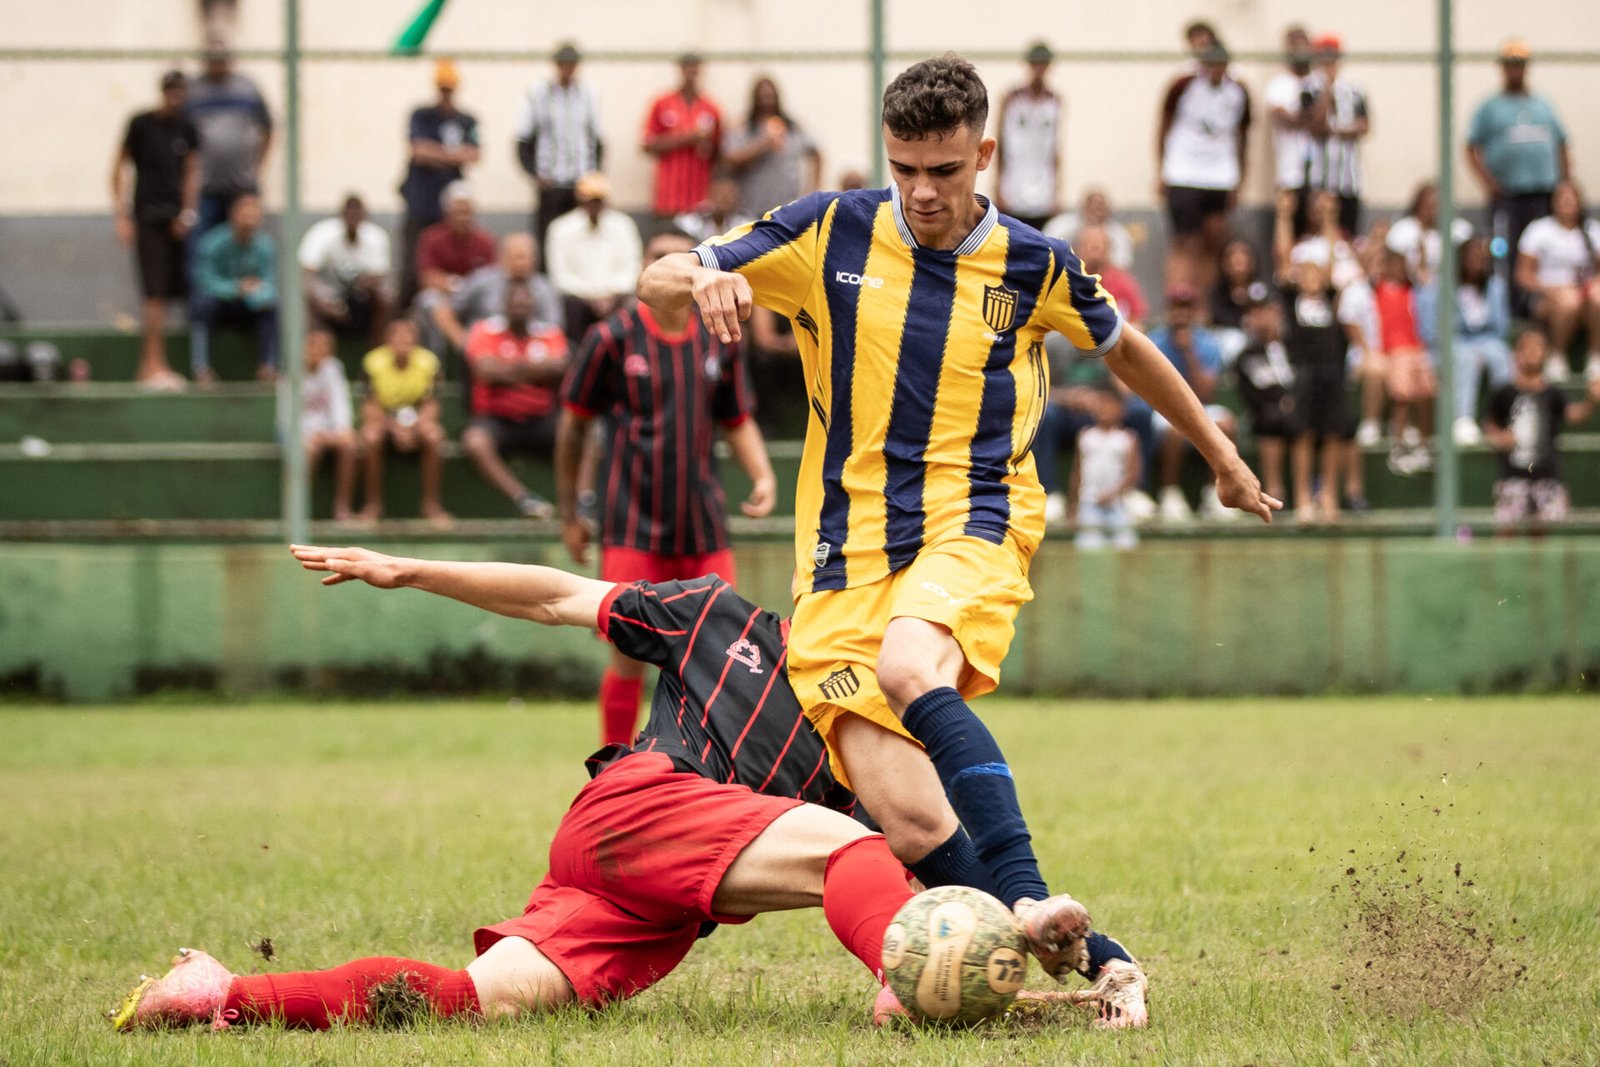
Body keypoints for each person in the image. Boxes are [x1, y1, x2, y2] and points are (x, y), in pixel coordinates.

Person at [639, 54, 1278, 976]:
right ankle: (1098, 959)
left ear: (983, 154)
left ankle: (1025, 892)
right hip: (841, 551)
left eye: (943, 170)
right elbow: (658, 278)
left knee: (909, 662)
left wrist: (1221, 455)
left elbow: (1126, 349)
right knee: (911, 820)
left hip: (974, 517)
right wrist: (698, 279)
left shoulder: (1033, 259)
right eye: (903, 168)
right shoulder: (829, 230)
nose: (922, 191)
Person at [112, 544, 1150, 1033]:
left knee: (477, 1000)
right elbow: (561, 592)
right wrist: (410, 569)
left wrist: (1084, 959)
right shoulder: (717, 617)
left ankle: (217, 994)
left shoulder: (879, 738)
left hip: (654, 897)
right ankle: (906, 993)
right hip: (636, 806)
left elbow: (953, 874)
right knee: (852, 853)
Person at [556, 227, 777, 748]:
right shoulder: (610, 337)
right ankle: (613, 768)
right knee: (628, 652)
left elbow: (736, 417)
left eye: (676, 256)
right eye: (656, 256)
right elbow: (573, 425)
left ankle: (710, 772)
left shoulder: (717, 334)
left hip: (703, 524)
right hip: (631, 523)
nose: (667, 267)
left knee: (724, 652)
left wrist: (763, 475)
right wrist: (570, 512)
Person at [1467, 40, 1570, 314]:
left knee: (1541, 252)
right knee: (1506, 252)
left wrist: (1564, 184)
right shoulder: (1490, 107)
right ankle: (1510, 310)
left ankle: (1539, 307)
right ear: (1503, 68)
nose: (1516, 69)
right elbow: (1471, 147)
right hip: (1508, 196)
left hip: (1542, 192)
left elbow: (1561, 143)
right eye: (1511, 64)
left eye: (1520, 64)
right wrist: (1489, 183)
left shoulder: (1543, 105)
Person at [113, 70, 200, 391]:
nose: (176, 98)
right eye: (171, 92)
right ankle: (151, 366)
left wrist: (187, 214)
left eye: (181, 92)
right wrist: (122, 215)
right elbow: (118, 166)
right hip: (146, 218)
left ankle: (155, 365)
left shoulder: (187, 128)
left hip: (175, 222)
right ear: (162, 92)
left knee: (167, 293)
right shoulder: (141, 125)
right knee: (154, 295)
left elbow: (192, 171)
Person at [1274, 191, 1355, 523]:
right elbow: (1282, 257)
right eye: (1303, 272)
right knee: (1304, 434)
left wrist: (1330, 220)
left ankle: (1329, 496)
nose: (1310, 277)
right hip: (1304, 373)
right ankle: (1304, 496)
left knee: (1334, 434)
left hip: (1331, 372)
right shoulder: (1292, 301)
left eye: (1316, 273)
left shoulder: (1330, 298)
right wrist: (1283, 215)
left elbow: (1333, 256)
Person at [461, 285, 570, 518]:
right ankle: (525, 499)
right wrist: (536, 371)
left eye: (525, 303)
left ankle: (581, 500)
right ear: (505, 306)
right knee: (475, 441)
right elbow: (485, 372)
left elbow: (560, 367)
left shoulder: (549, 333)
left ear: (533, 306)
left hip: (541, 417)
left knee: (585, 431)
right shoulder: (484, 331)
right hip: (496, 418)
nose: (520, 307)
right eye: (515, 303)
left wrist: (507, 371)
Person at [1156, 42, 1251, 295]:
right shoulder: (1184, 85)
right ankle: (1178, 302)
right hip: (1184, 173)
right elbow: (1164, 124)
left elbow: (1242, 136)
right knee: (1185, 242)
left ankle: (1204, 308)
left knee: (1214, 243)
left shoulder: (1238, 91)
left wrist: (1239, 180)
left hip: (1220, 176)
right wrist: (1162, 168)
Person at [1484, 327, 1600, 534]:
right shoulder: (1504, 392)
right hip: (1513, 476)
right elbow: (1490, 424)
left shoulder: (1554, 392)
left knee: (1541, 534)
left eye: (1537, 349)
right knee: (1505, 530)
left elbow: (1573, 416)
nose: (1532, 354)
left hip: (1547, 476)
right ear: (1516, 354)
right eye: (1526, 349)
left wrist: (1591, 401)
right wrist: (1500, 438)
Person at [1141, 285, 1238, 522]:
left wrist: (1188, 352)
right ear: (1168, 310)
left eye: (1186, 308)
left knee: (1226, 424)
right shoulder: (1154, 341)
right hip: (1163, 408)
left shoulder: (1206, 342)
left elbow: (1206, 392)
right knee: (1176, 429)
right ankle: (1170, 493)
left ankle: (1215, 492)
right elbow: (1153, 389)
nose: (1181, 314)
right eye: (1176, 307)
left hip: (1198, 404)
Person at [399, 60, 481, 306]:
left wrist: (437, 154)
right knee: (413, 266)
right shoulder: (421, 115)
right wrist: (453, 155)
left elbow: (474, 154)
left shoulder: (467, 120)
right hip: (422, 203)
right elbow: (418, 150)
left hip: (451, 208)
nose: (446, 94)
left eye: (450, 89)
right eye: (443, 88)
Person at [1417, 236, 1513, 446]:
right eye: (1472, 257)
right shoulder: (1439, 288)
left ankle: (1503, 417)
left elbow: (1501, 328)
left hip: (1487, 341)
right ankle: (1463, 419)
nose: (1477, 261)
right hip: (1451, 345)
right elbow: (1432, 332)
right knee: (1466, 357)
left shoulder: (1496, 287)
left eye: (1481, 257)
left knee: (1500, 354)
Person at [515, 43, 604, 263]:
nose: (568, 69)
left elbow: (598, 139)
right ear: (556, 65)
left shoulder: (588, 94)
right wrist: (535, 175)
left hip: (580, 182)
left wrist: (593, 175)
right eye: (564, 64)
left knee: (580, 235)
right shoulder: (539, 93)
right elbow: (523, 139)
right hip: (551, 181)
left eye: (572, 64)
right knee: (547, 237)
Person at [359, 318, 450, 524]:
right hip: (384, 422)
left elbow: (432, 404)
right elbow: (370, 407)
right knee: (370, 436)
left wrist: (415, 427)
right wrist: (395, 429)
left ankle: (431, 506)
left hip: (417, 422)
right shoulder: (372, 362)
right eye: (397, 337)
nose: (403, 341)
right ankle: (373, 505)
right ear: (387, 341)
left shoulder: (429, 363)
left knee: (435, 435)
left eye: (408, 337)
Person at [1515, 179, 1600, 383]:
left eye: (1572, 199)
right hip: (1546, 297)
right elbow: (1523, 275)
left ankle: (1595, 355)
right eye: (1563, 199)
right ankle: (1557, 355)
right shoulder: (1539, 230)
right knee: (1568, 300)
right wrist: (1552, 289)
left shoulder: (1592, 231)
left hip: (1584, 295)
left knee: (1597, 297)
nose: (1567, 204)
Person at [425, 232, 563, 356]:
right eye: (516, 257)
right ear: (503, 257)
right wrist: (463, 341)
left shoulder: (545, 289)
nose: (521, 263)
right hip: (484, 353)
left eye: (525, 257)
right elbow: (444, 310)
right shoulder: (482, 281)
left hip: (531, 355)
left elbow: (555, 329)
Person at [545, 173, 643, 347]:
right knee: (570, 307)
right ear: (580, 201)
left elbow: (632, 268)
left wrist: (611, 295)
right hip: (578, 300)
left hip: (616, 297)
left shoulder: (623, 226)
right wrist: (591, 297)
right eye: (589, 200)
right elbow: (560, 275)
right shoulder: (561, 229)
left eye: (598, 200)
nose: (594, 206)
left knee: (631, 306)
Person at [185, 47, 271, 240]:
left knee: (243, 243)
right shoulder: (194, 90)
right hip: (205, 187)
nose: (218, 66)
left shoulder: (247, 87)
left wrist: (257, 166)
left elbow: (267, 128)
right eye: (213, 61)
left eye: (222, 60)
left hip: (242, 185)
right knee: (202, 244)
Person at [191, 192, 278, 380]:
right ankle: (201, 368)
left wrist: (255, 293)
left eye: (254, 216)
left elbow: (269, 283)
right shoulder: (213, 243)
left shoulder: (265, 246)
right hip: (221, 304)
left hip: (249, 304)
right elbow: (205, 280)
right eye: (245, 215)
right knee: (203, 306)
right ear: (233, 215)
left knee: (271, 308)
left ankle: (268, 366)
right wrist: (236, 288)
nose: (249, 221)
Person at [1233, 283, 1303, 512]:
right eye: (1253, 311)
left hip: (1299, 410)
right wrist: (1280, 403)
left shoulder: (1295, 347)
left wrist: (1293, 401)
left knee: (1308, 419)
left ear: (1277, 311)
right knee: (1270, 419)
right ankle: (1275, 490)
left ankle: (1305, 494)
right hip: (1265, 414)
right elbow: (1252, 394)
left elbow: (1306, 380)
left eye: (1264, 309)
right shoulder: (1246, 356)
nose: (1259, 316)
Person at [278, 328, 359, 520]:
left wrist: (340, 431)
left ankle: (342, 508)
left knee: (350, 444)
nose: (318, 352)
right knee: (310, 450)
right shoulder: (290, 370)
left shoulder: (333, 368)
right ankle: (297, 510)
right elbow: (286, 417)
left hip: (326, 433)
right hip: (295, 433)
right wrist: (311, 435)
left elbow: (341, 404)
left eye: (324, 348)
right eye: (313, 346)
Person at [722, 75, 822, 220]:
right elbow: (730, 159)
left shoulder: (792, 127)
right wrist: (762, 144)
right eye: (762, 96)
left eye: (770, 95)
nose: (766, 99)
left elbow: (816, 152)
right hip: (751, 209)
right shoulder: (745, 128)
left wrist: (813, 189)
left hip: (787, 208)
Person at [298, 194, 392, 346]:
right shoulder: (322, 234)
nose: (353, 220)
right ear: (341, 215)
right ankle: (318, 349)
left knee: (387, 298)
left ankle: (376, 348)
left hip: (359, 296)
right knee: (307, 299)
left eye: (357, 215)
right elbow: (306, 273)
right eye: (349, 215)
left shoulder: (376, 236)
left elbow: (378, 276)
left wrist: (360, 287)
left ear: (365, 216)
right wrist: (323, 303)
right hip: (327, 295)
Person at [1373, 247, 1436, 473]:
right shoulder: (1377, 290)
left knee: (1428, 391)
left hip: (1416, 349)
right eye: (1395, 265)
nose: (1400, 269)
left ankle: (1424, 447)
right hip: (1393, 351)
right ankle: (1398, 448)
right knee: (1402, 394)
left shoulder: (1414, 293)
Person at [1304, 35, 1369, 237]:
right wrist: (1327, 90)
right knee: (1318, 234)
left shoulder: (1355, 90)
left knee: (1347, 236)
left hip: (1348, 179)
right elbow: (1315, 126)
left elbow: (1363, 126)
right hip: (1319, 178)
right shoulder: (1310, 89)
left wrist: (1334, 129)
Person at [642, 54, 722, 218]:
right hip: (667, 199)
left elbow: (718, 151)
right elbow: (648, 145)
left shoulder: (711, 107)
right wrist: (689, 138)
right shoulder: (662, 103)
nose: (691, 72)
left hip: (699, 199)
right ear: (680, 69)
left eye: (695, 67)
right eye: (687, 67)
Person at [993, 42, 1063, 230]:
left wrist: (1057, 191)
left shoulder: (1054, 101)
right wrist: (997, 184)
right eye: (1035, 64)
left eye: (1043, 64)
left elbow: (1055, 148)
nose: (1039, 69)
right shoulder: (1011, 99)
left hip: (1043, 187)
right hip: (1014, 184)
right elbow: (1001, 144)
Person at [414, 181, 497, 331]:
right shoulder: (431, 238)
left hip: (475, 298)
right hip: (445, 296)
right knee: (428, 301)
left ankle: (483, 348)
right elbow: (427, 278)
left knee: (493, 302)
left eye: (467, 212)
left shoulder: (485, 240)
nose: (463, 218)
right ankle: (439, 352)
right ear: (447, 213)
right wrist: (457, 285)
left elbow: (493, 278)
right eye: (459, 212)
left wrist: (469, 290)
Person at [1070, 389, 1139, 551]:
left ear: (1121, 410)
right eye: (1101, 405)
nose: (1105, 410)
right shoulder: (1085, 436)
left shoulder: (1127, 438)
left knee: (1126, 545)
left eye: (1110, 406)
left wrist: (1113, 493)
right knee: (1088, 546)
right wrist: (1072, 505)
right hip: (1089, 501)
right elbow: (1077, 472)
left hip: (1117, 503)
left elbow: (1132, 473)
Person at [1264, 25, 1314, 236]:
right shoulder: (1278, 86)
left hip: (1321, 175)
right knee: (1288, 233)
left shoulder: (1319, 83)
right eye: (1295, 45)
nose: (1300, 50)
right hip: (1289, 174)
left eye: (1304, 44)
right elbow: (1287, 118)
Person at [1385, 181, 1473, 287]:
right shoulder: (1403, 230)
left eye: (1438, 205)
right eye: (1430, 206)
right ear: (1419, 205)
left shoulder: (1454, 229)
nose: (1435, 211)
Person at [1042, 188, 1134, 271]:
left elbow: (1123, 263)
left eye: (1100, 206)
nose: (1096, 210)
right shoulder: (1061, 226)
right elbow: (1046, 249)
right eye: (1092, 205)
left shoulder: (1118, 235)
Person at [1209, 238, 1263, 364]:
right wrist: (1245, 321)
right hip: (1228, 336)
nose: (1238, 264)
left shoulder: (1259, 288)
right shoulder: (1218, 291)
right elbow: (1219, 315)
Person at [674, 175, 753, 245]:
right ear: (710, 194)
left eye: (730, 194)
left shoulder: (745, 221)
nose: (724, 198)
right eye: (719, 193)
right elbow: (682, 227)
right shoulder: (695, 217)